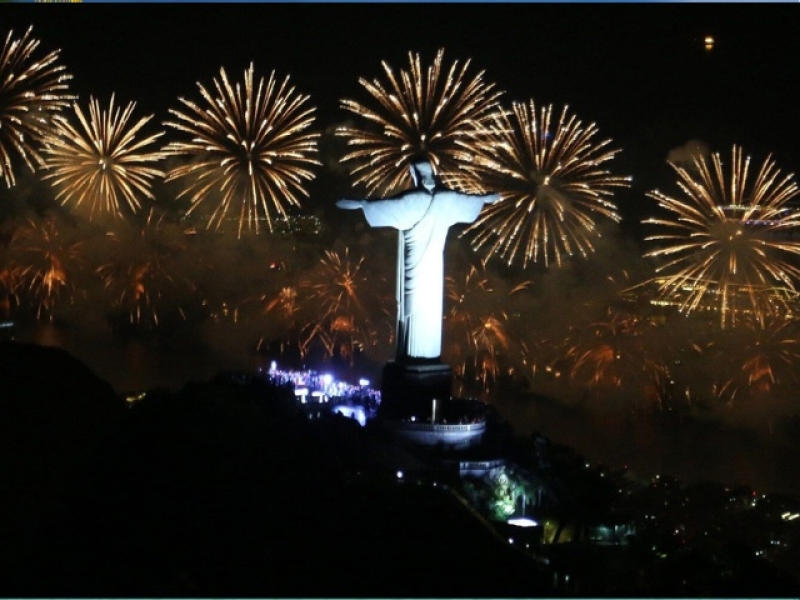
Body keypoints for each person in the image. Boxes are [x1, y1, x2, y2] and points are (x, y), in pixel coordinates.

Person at [338, 160, 500, 361]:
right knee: (421, 306)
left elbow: (385, 207)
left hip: (423, 265)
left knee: (417, 305)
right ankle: (422, 353)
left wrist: (362, 204)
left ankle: (417, 354)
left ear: (415, 176)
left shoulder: (420, 200)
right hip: (428, 266)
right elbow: (469, 200)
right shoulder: (444, 200)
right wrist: (486, 199)